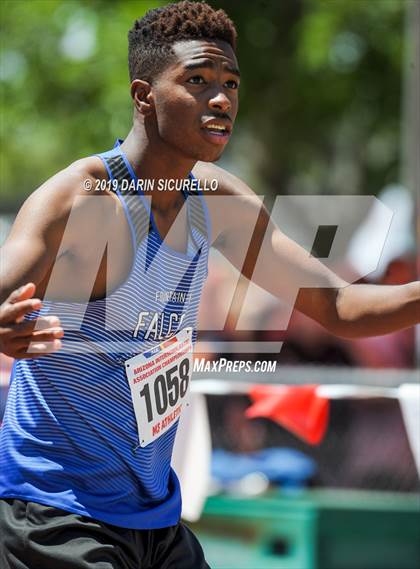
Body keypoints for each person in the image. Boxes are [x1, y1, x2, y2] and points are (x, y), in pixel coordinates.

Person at [0, 2, 418, 568]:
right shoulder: (83, 198)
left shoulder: (217, 203)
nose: (221, 99)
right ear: (144, 94)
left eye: (230, 83)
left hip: (154, 518)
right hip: (55, 513)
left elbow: (340, 305)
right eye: (197, 81)